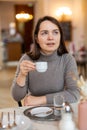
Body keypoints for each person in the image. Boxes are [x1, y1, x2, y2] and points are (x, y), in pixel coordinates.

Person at [11, 16, 80, 106]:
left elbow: (74, 94)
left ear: (60, 36)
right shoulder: (27, 59)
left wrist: (41, 100)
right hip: (34, 112)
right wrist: (22, 75)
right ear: (37, 39)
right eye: (44, 33)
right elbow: (17, 97)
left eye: (55, 32)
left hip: (59, 110)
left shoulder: (67, 59)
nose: (50, 37)